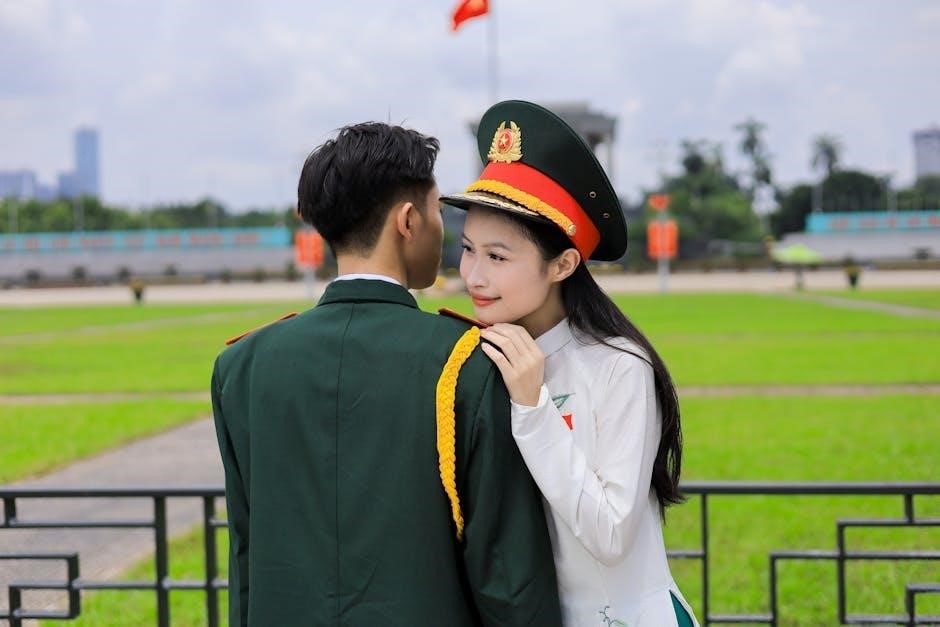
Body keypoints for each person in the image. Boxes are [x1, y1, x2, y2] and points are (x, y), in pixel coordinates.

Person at [211, 122, 562, 626]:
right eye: (437, 210)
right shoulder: (469, 360)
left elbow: (246, 554)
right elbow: (507, 577)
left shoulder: (241, 366)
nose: (443, 229)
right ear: (408, 220)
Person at [442, 101, 698, 627]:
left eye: (498, 256)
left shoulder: (619, 367)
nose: (473, 276)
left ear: (562, 264)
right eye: (468, 249)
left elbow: (611, 534)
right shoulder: (472, 361)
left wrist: (533, 406)